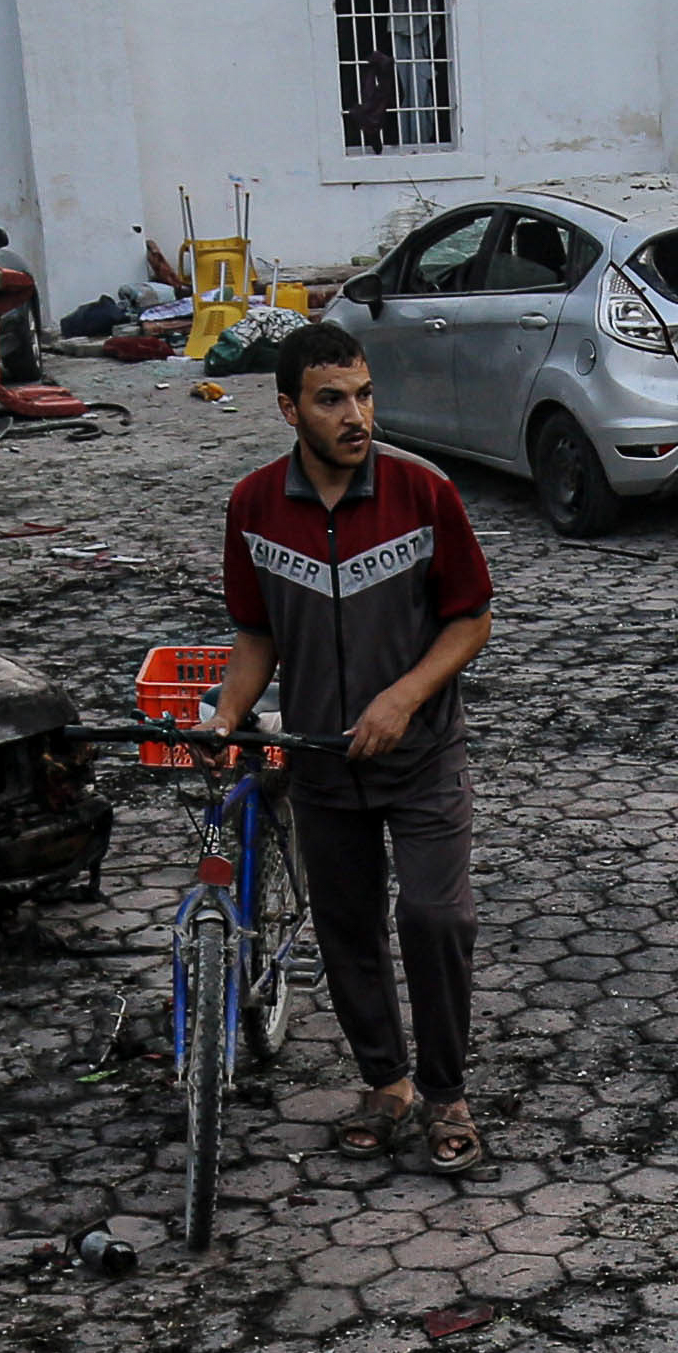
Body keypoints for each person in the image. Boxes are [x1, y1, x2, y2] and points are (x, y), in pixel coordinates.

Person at [209, 319, 497, 1172]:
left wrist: (405, 697)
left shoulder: (422, 493)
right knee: (346, 928)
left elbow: (471, 618)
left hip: (422, 752)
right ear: (288, 409)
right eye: (331, 399)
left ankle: (447, 1094)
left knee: (436, 916)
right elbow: (255, 634)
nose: (355, 414)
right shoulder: (253, 506)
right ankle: (388, 1084)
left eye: (365, 394)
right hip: (321, 760)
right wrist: (225, 716)